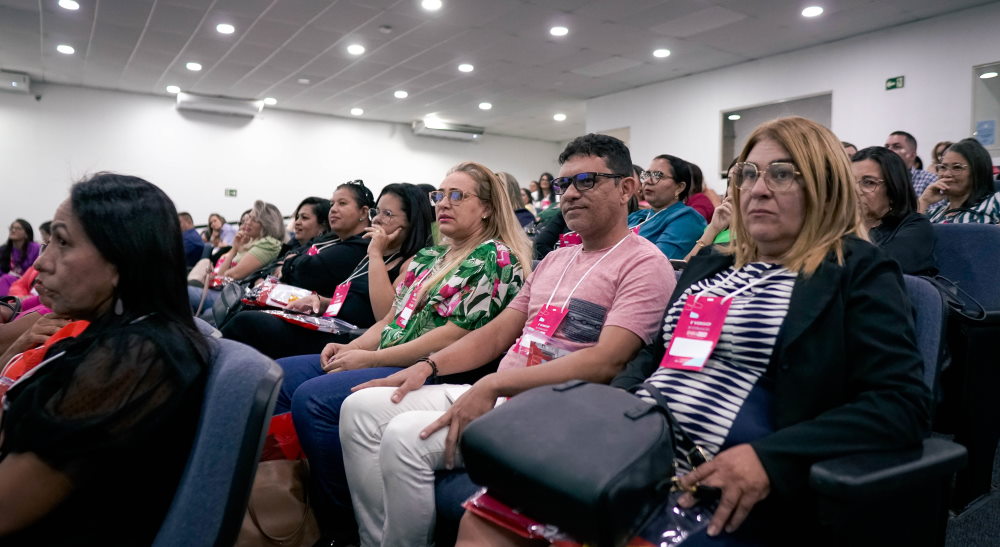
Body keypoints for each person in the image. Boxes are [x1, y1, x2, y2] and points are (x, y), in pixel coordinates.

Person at [458, 116, 932, 546]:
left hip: (718, 477)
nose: (757, 190)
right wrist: (614, 410)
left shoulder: (856, 269)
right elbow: (654, 355)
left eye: (782, 174)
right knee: (484, 521)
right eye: (747, 174)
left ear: (825, 187)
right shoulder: (712, 264)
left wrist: (773, 459)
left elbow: (900, 404)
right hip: (635, 448)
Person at [340, 133, 676, 546]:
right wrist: (427, 366)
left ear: (626, 188)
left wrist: (494, 384)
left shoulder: (644, 263)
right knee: (359, 409)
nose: (570, 194)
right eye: (564, 183)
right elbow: (497, 333)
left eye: (585, 181)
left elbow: (607, 361)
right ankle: (374, 539)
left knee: (404, 437)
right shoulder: (556, 259)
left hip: (557, 410)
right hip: (506, 394)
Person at [275, 163, 531, 545]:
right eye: (439, 195)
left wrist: (373, 359)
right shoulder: (430, 257)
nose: (443, 203)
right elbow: (391, 320)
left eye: (457, 196)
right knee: (281, 377)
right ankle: (289, 502)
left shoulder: (495, 257)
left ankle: (341, 527)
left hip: (436, 368)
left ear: (487, 208)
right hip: (389, 353)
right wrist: (352, 348)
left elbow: (455, 334)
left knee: (314, 400)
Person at [0, 173, 210, 546]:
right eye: (48, 243)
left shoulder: (135, 359)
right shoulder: (118, 335)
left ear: (120, 262)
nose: (42, 263)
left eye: (63, 243)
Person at [222, 184, 433, 358]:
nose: (377, 219)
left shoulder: (408, 262)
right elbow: (351, 298)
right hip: (327, 322)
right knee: (249, 313)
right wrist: (321, 301)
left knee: (248, 323)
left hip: (349, 338)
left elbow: (384, 316)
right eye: (377, 211)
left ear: (411, 222)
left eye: (387, 214)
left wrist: (376, 254)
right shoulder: (378, 253)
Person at [851, 147, 937, 274]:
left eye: (869, 182)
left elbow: (880, 267)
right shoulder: (841, 227)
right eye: (850, 181)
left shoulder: (916, 226)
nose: (855, 190)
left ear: (893, 188)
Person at [187, 200, 284, 311]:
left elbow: (234, 274)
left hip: (236, 297)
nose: (247, 222)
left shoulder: (269, 243)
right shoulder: (248, 242)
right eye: (248, 218)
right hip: (227, 292)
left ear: (266, 224)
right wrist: (234, 249)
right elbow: (221, 275)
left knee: (181, 292)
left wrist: (226, 274)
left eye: (254, 219)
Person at [628, 155, 707, 259]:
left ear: (679, 187)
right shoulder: (637, 215)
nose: (648, 181)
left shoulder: (686, 218)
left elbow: (657, 261)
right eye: (647, 175)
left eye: (658, 176)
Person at [918, 137, 1000, 224]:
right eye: (943, 167)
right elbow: (912, 230)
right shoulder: (934, 213)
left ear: (977, 172)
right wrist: (923, 201)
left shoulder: (995, 202)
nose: (946, 174)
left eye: (957, 167)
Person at [885, 130, 937, 199]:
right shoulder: (878, 179)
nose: (889, 150)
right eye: (887, 147)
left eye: (897, 146)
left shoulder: (929, 179)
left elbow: (937, 205)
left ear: (912, 155)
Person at [0, 220, 41, 295]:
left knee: (6, 278)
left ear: (26, 234)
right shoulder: (4, 249)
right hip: (9, 281)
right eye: (11, 228)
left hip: (27, 283)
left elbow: (36, 270)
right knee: (5, 278)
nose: (13, 230)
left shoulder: (35, 248)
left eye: (18, 228)